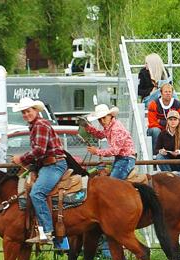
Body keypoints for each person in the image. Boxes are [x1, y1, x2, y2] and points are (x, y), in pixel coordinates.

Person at [10, 97, 69, 249]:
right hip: (48, 164)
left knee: (37, 193)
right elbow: (40, 153)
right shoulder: (35, 125)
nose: (26, 114)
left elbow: (39, 150)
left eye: (28, 111)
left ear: (36, 110)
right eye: (23, 112)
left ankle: (47, 231)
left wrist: (21, 159)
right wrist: (34, 169)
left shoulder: (40, 125)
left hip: (55, 164)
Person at [82, 104, 136, 180]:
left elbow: (115, 150)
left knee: (112, 183)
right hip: (123, 159)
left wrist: (96, 151)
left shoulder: (116, 129)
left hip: (125, 159)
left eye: (104, 117)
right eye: (99, 119)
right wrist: (89, 128)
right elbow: (101, 135)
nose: (102, 121)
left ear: (110, 115)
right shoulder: (110, 127)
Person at [154, 109, 180, 178]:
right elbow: (156, 150)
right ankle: (170, 178)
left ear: (179, 121)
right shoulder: (162, 134)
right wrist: (161, 151)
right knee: (159, 156)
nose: (173, 121)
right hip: (168, 162)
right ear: (167, 121)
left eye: (175, 119)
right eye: (170, 119)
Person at [146, 83, 180, 154]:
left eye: (170, 92)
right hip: (156, 129)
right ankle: (156, 154)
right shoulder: (154, 104)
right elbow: (152, 123)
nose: (168, 94)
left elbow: (179, 120)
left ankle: (176, 153)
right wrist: (166, 127)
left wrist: (161, 122)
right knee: (156, 131)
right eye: (165, 92)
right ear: (161, 93)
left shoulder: (177, 104)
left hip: (172, 127)